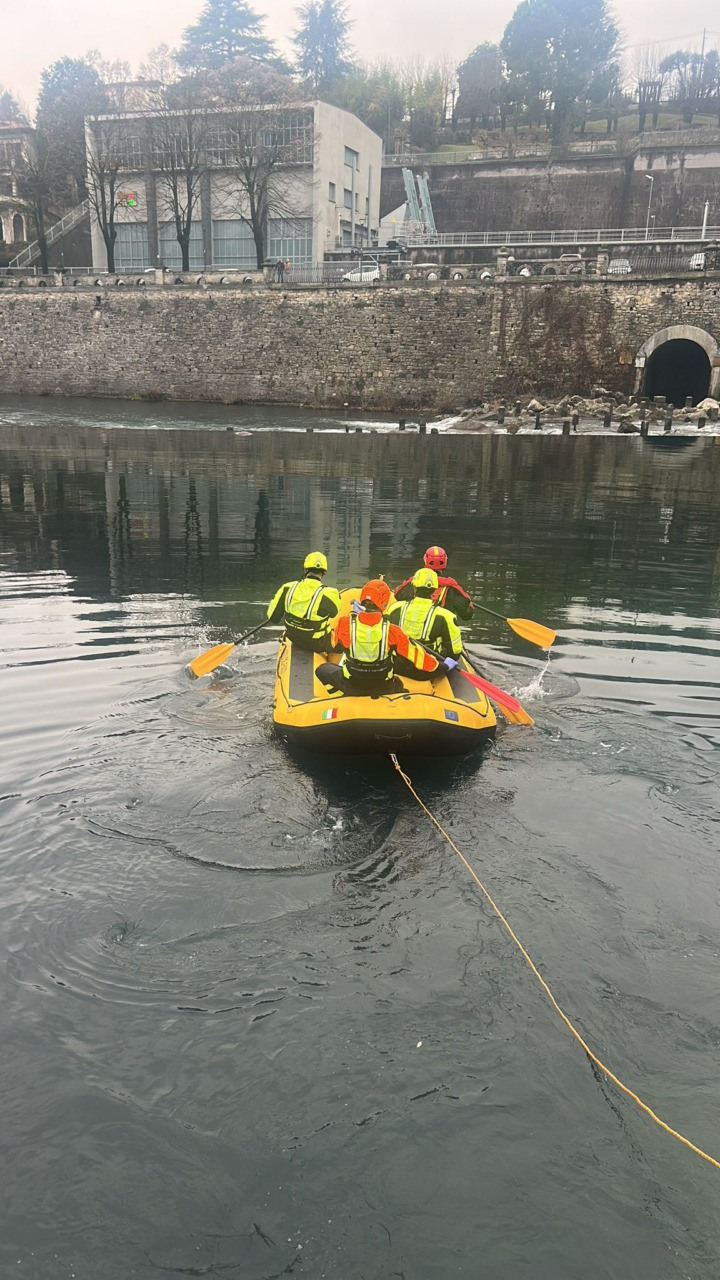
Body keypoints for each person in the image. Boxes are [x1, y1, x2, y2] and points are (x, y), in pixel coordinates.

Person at [316, 579, 456, 696]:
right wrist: (443, 666)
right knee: (399, 682)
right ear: (384, 603)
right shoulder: (392, 631)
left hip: (353, 685)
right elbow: (419, 659)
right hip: (384, 686)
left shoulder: (345, 625)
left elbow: (334, 645)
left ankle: (340, 697)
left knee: (322, 670)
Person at [267, 552, 340, 652]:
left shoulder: (287, 588)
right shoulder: (330, 594)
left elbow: (274, 618)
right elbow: (333, 614)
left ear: (305, 570)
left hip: (293, 638)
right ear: (323, 573)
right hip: (317, 643)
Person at [387, 567, 463, 661]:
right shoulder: (446, 616)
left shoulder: (395, 608)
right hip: (427, 670)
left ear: (414, 588)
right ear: (435, 589)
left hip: (398, 665)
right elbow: (455, 652)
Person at [394, 546, 474, 620]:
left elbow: (396, 597)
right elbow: (467, 616)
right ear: (445, 561)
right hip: (440, 632)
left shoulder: (412, 583)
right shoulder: (452, 589)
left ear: (425, 560)